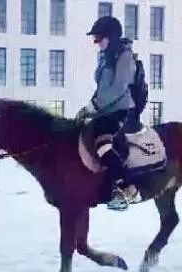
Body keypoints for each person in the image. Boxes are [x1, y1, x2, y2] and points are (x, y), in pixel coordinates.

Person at [77, 16, 142, 209]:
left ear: (111, 37)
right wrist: (89, 107)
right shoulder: (106, 59)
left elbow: (119, 88)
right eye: (95, 39)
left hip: (120, 111)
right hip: (104, 112)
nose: (96, 43)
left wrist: (94, 106)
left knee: (103, 144)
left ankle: (127, 186)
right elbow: (101, 89)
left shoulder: (125, 56)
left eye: (99, 39)